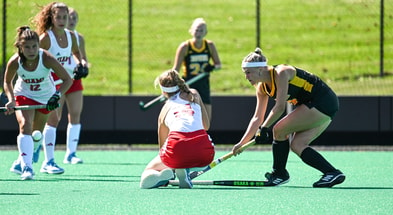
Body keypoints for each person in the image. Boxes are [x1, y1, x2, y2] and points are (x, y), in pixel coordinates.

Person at [232, 47, 346, 188]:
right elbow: (257, 117)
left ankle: (279, 174)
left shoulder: (282, 73)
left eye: (248, 72)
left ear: (260, 69)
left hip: (322, 101)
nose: (246, 77)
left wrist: (264, 128)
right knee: (297, 145)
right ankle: (332, 173)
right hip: (314, 105)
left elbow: (280, 107)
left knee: (279, 130)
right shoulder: (261, 88)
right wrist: (242, 143)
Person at [4, 26, 72, 180]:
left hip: (45, 97)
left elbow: (68, 79)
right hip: (24, 94)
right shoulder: (15, 61)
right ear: (20, 47)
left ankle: (22, 158)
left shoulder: (46, 58)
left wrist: (56, 96)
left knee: (36, 134)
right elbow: (7, 82)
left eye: (34, 46)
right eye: (27, 47)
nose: (31, 50)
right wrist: (11, 99)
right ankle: (27, 168)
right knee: (25, 126)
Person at [32, 2, 88, 166]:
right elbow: (32, 58)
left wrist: (81, 64)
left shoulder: (72, 36)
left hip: (71, 79)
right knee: (53, 120)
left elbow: (78, 53)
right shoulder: (45, 38)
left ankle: (71, 154)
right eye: (59, 17)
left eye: (65, 17)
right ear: (52, 18)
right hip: (52, 82)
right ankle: (47, 160)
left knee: (76, 114)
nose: (63, 20)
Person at [140, 69, 215, 189]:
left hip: (177, 149)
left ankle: (170, 169)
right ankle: (185, 168)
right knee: (200, 150)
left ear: (163, 91)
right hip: (204, 153)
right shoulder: (194, 94)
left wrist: (170, 162)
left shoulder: (163, 111)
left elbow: (162, 147)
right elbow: (206, 126)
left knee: (151, 168)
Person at [172, 18, 221, 121]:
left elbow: (218, 65)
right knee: (190, 117)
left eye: (201, 30)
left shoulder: (209, 46)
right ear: (191, 30)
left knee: (206, 119)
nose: (198, 33)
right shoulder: (185, 47)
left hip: (204, 85)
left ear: (205, 32)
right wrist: (173, 86)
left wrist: (212, 67)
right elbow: (175, 70)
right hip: (189, 85)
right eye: (196, 30)